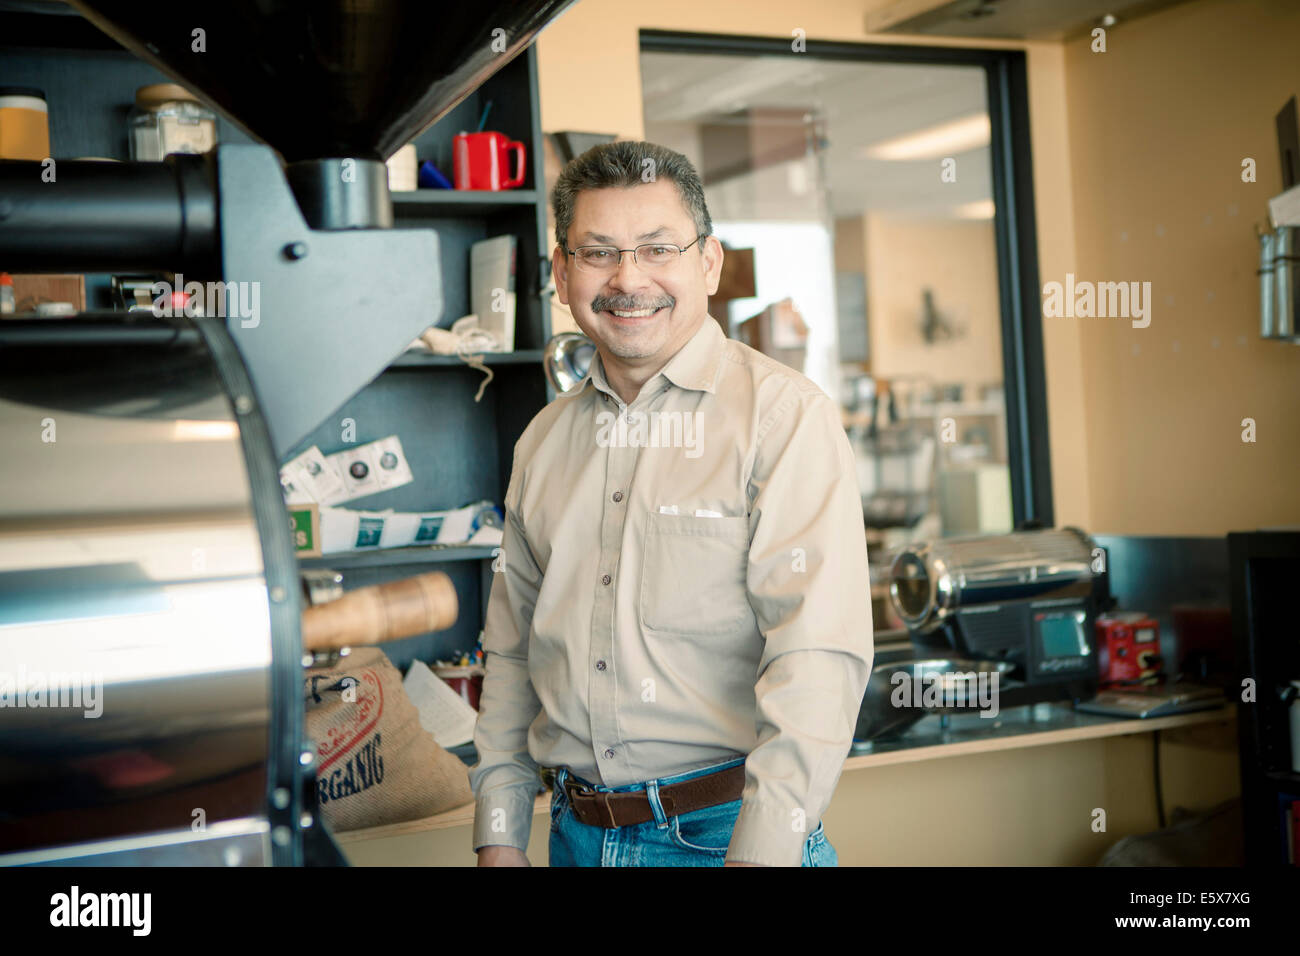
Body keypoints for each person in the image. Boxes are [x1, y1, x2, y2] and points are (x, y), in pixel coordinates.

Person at [470, 140, 872, 867]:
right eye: (598, 253)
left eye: (658, 249)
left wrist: (760, 853)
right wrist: (499, 833)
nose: (629, 279)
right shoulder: (542, 443)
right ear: (562, 273)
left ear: (708, 264)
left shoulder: (783, 420)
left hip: (721, 838)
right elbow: (511, 653)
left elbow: (817, 655)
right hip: (573, 836)